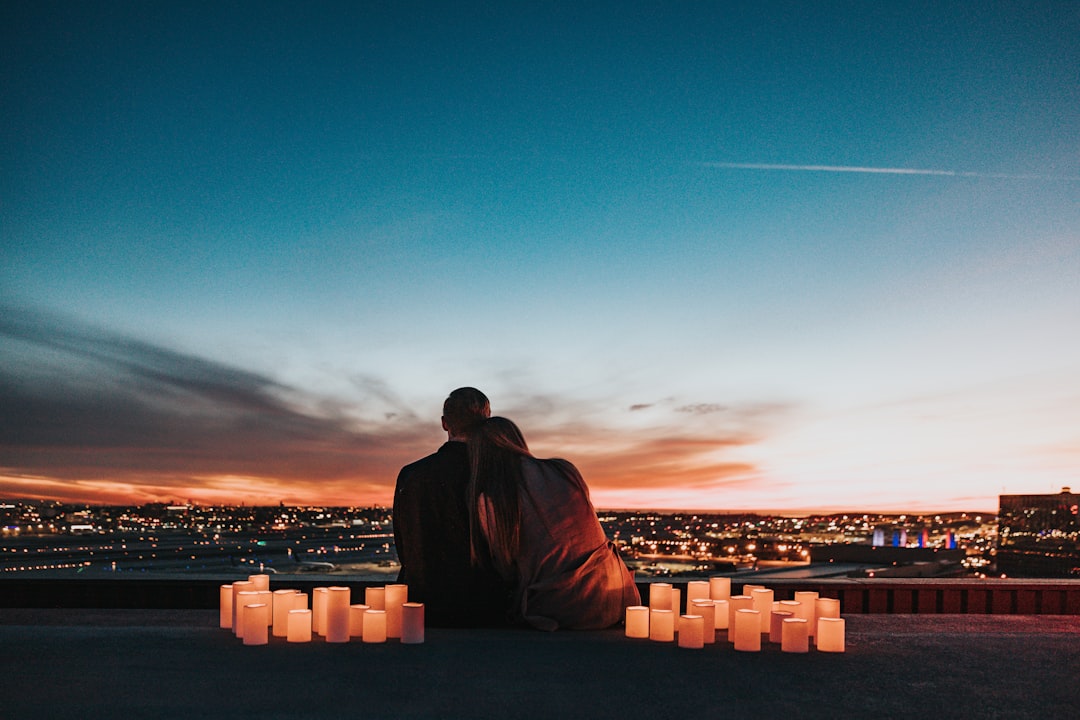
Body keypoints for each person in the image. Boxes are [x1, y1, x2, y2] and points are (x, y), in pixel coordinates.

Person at [467, 416, 640, 630]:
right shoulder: (564, 470)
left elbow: (505, 568)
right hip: (618, 596)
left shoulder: (493, 499)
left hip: (563, 608)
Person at [393, 388, 509, 626]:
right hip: (484, 608)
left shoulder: (410, 475)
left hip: (421, 606)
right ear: (487, 422)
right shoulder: (498, 474)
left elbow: (405, 548)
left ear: (445, 423)